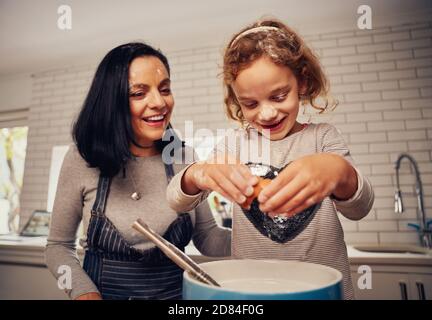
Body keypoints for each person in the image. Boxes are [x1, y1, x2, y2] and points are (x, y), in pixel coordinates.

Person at [166, 19, 374, 299]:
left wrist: (341, 172)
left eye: (278, 96)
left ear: (301, 81)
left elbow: (360, 208)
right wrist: (197, 174)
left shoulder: (323, 138)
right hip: (251, 294)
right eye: (250, 103)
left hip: (322, 293)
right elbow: (176, 200)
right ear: (236, 100)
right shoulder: (234, 144)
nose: (266, 114)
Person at [45, 42, 231, 300]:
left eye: (164, 89)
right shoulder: (81, 159)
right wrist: (83, 292)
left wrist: (259, 233)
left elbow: (208, 237)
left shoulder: (185, 157)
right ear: (112, 102)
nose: (159, 102)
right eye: (138, 93)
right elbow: (57, 247)